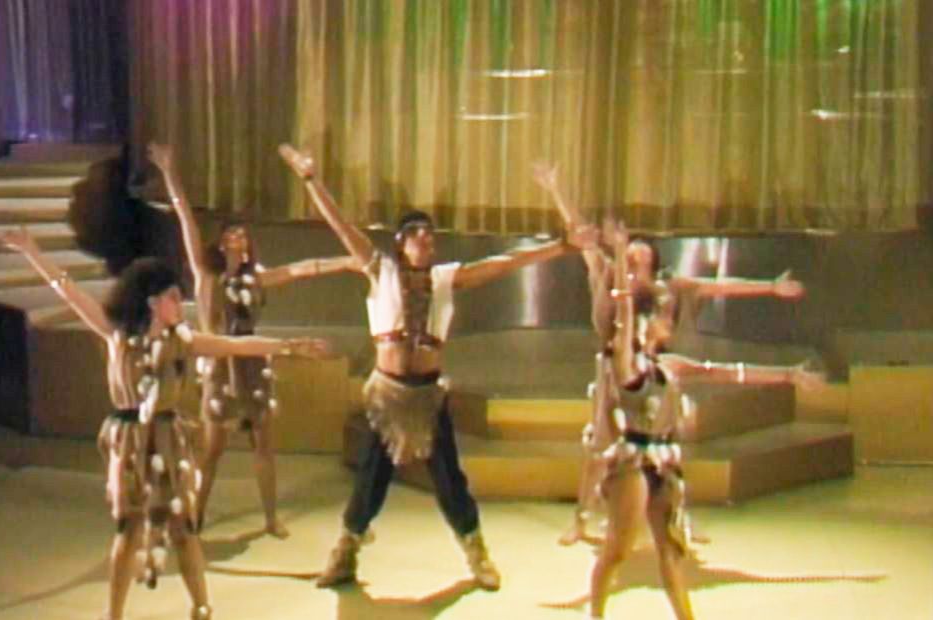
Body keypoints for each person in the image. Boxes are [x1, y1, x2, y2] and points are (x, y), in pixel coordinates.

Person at [280, 144, 598, 590]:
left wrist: (558, 248)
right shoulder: (381, 270)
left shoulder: (445, 278)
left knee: (449, 480)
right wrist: (311, 180)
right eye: (417, 235)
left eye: (430, 236)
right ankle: (345, 552)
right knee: (371, 478)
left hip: (428, 396)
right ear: (401, 242)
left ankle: (476, 553)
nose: (426, 241)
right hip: (386, 394)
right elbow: (342, 227)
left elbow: (500, 266)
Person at [1, 228, 330, 620]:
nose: (180, 302)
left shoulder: (182, 341)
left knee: (183, 529)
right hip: (129, 439)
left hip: (168, 437)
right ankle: (114, 614)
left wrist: (289, 346)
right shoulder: (118, 336)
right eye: (174, 296)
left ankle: (202, 606)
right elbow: (69, 292)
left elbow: (235, 345)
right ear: (153, 303)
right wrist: (33, 252)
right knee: (128, 530)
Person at [531, 162, 806, 546]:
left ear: (652, 264)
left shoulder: (669, 288)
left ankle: (679, 516)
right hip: (613, 368)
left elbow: (717, 287)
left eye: (640, 259)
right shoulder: (607, 275)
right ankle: (582, 518)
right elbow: (584, 239)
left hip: (656, 371)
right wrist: (556, 190)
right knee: (599, 448)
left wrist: (770, 288)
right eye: (629, 258)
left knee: (666, 447)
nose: (633, 264)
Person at [585, 221, 823, 620]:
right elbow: (623, 311)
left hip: (665, 460)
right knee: (619, 549)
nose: (668, 321)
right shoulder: (625, 363)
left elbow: (729, 373)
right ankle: (596, 614)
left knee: (671, 550)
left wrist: (788, 375)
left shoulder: (673, 363)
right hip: (633, 460)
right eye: (661, 318)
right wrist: (621, 257)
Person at [147, 143, 358, 538]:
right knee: (212, 448)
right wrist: (170, 175)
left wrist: (346, 262)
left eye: (243, 235)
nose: (239, 239)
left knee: (263, 444)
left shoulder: (256, 277)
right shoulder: (207, 275)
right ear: (221, 241)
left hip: (253, 363)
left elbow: (301, 270)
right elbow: (186, 220)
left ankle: (271, 518)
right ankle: (196, 513)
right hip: (219, 363)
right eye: (232, 234)